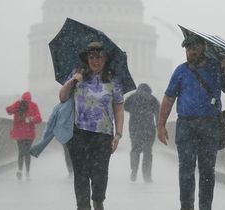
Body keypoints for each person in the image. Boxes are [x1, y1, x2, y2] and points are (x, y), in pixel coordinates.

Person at [157, 35, 225, 210]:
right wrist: (161, 125)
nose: (191, 51)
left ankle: (205, 207)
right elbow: (169, 98)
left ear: (203, 48)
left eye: (194, 47)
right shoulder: (180, 71)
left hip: (210, 126)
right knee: (186, 172)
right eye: (188, 48)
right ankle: (186, 207)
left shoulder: (216, 68)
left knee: (207, 171)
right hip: (186, 126)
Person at [59, 41, 124, 210]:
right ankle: (83, 206)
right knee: (80, 174)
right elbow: (62, 97)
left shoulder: (113, 80)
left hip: (103, 135)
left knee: (100, 174)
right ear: (87, 59)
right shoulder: (77, 74)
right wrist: (73, 81)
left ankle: (98, 200)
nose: (96, 61)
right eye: (92, 57)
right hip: (79, 133)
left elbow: (118, 108)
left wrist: (118, 134)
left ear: (105, 59)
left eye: (100, 57)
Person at [124, 83, 159, 183]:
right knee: (148, 152)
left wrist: (135, 110)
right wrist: (159, 126)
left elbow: (125, 107)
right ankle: (147, 175)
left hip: (135, 128)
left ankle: (134, 171)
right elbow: (158, 112)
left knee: (135, 150)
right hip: (149, 129)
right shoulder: (152, 99)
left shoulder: (132, 97)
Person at [6, 91, 42, 180]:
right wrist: (31, 119)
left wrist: (17, 103)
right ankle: (27, 173)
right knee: (27, 152)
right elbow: (39, 119)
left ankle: (20, 170)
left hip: (19, 133)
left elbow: (8, 110)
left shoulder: (18, 104)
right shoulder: (34, 105)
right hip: (29, 134)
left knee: (21, 152)